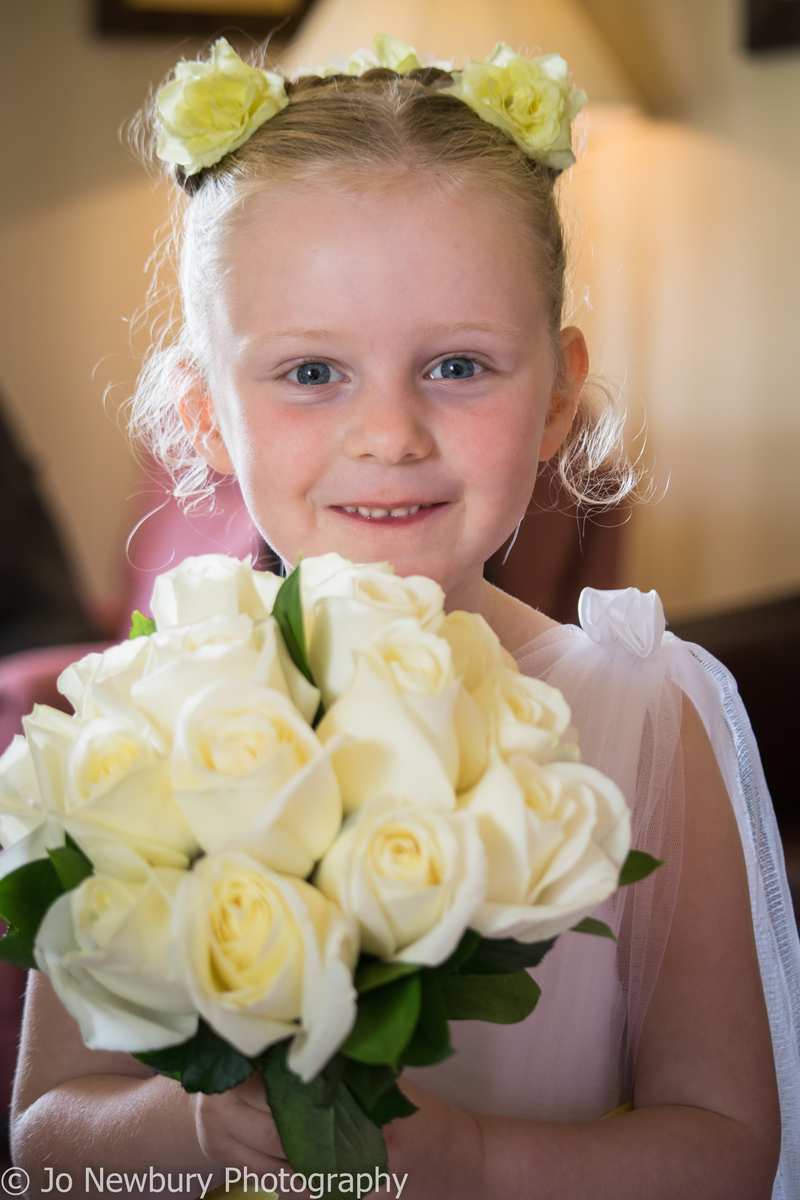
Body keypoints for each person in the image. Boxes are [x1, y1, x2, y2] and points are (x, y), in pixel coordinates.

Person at [9, 35, 800, 1200]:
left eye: (459, 367)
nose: (390, 434)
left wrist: (478, 1161)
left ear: (557, 398)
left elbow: (727, 1144)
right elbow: (41, 1138)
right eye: (312, 373)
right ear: (206, 413)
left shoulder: (642, 715)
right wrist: (190, 1129)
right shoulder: (137, 728)